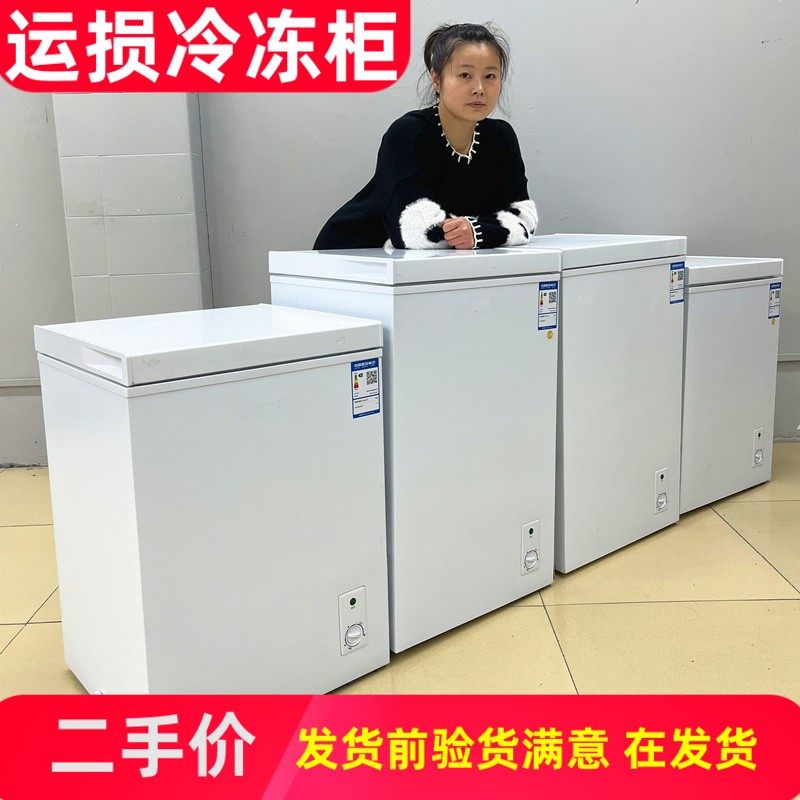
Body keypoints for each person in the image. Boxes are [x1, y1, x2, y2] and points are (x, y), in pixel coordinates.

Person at [313, 23, 538, 251]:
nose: (479, 88)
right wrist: (485, 231)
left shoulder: (501, 138)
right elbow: (416, 230)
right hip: (350, 256)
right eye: (465, 75)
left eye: (490, 76)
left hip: (427, 265)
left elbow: (524, 218)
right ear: (436, 79)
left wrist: (476, 232)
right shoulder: (408, 133)